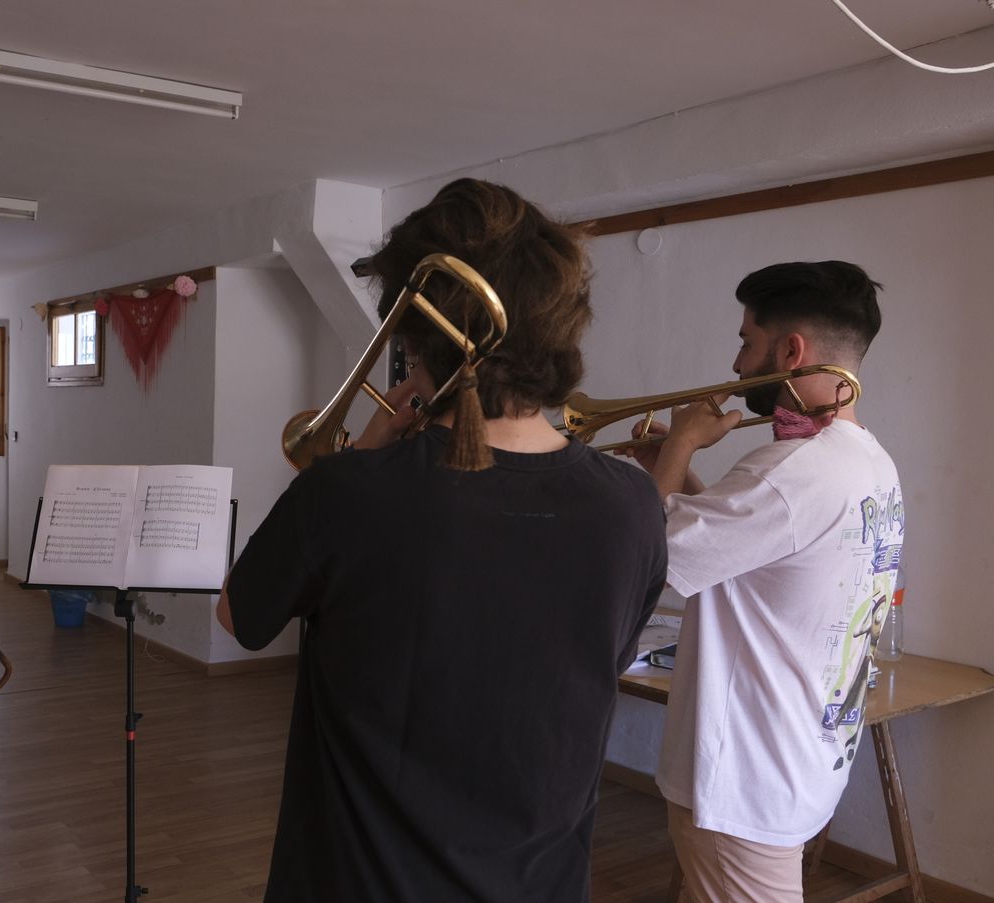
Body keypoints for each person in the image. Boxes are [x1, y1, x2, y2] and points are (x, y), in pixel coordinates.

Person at [216, 178, 668, 902]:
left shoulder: (348, 491)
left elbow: (241, 616)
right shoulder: (636, 505)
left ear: (414, 330)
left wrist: (357, 459)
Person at [625, 261, 903, 903]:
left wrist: (678, 451)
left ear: (790, 350)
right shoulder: (870, 460)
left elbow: (647, 557)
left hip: (743, 777)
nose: (737, 363)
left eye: (747, 340)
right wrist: (676, 472)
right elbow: (751, 550)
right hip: (799, 761)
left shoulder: (790, 470)